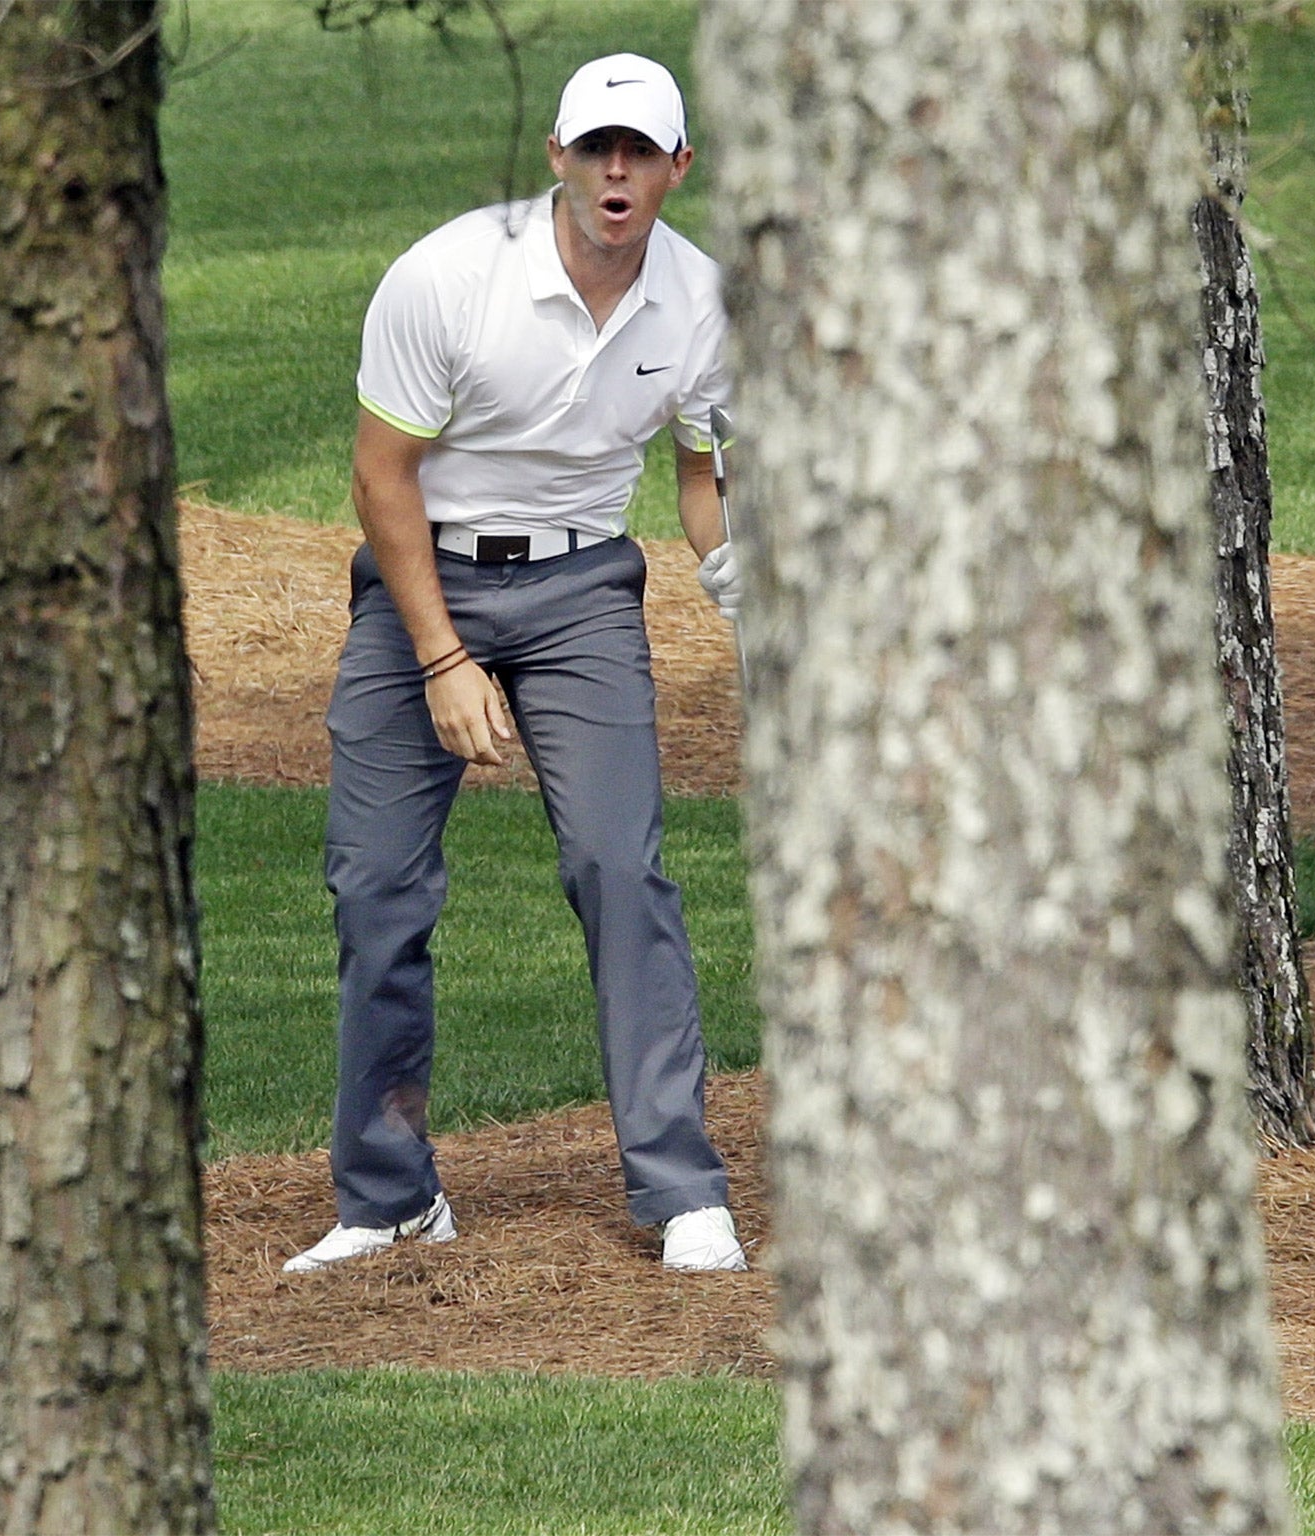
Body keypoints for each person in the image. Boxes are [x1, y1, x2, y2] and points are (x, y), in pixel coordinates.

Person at [285, 53, 747, 1275]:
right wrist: (440, 656)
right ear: (555, 156)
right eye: (595, 146)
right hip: (418, 585)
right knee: (376, 889)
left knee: (617, 867)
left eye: (639, 151)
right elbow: (381, 477)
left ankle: (680, 1189)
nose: (615, 169)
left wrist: (745, 585)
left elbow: (702, 479)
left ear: (674, 169)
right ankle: (389, 1197)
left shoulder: (701, 303)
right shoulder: (447, 279)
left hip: (582, 588)